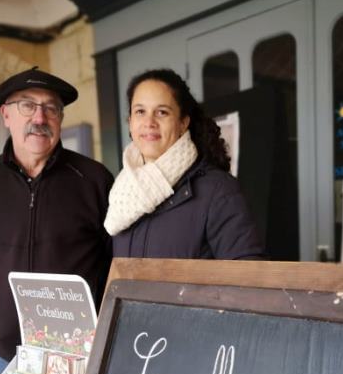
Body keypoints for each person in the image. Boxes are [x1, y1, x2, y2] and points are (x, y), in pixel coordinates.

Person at [0, 67, 113, 374]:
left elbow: (113, 263)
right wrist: (6, 317)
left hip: (79, 356)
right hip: (8, 357)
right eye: (27, 106)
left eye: (51, 108)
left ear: (60, 119)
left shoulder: (95, 180)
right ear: (6, 115)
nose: (39, 118)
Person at [104, 68, 264, 260]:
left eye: (162, 112)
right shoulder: (122, 193)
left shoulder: (218, 190)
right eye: (140, 111)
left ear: (183, 123)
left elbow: (248, 277)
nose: (149, 122)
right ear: (130, 122)